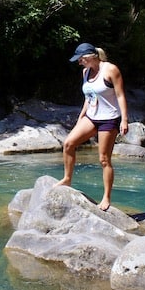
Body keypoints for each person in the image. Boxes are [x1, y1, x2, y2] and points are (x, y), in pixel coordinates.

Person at [55, 42, 129, 211]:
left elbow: (120, 95)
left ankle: (106, 197)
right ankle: (67, 178)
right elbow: (89, 96)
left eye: (81, 60)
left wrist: (124, 119)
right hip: (92, 116)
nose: (79, 63)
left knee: (104, 159)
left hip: (109, 119)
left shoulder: (111, 70)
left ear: (90, 57)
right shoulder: (85, 72)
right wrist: (82, 116)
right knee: (68, 144)